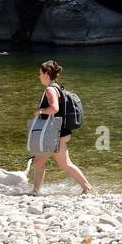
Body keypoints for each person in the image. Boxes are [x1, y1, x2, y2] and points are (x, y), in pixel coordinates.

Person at [30, 60, 94, 195]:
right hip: (60, 131)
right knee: (50, 162)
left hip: (54, 133)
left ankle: (36, 191)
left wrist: (39, 111)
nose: (38, 76)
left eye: (40, 73)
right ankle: (88, 189)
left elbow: (54, 108)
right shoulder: (57, 87)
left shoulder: (49, 89)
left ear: (46, 74)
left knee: (42, 161)